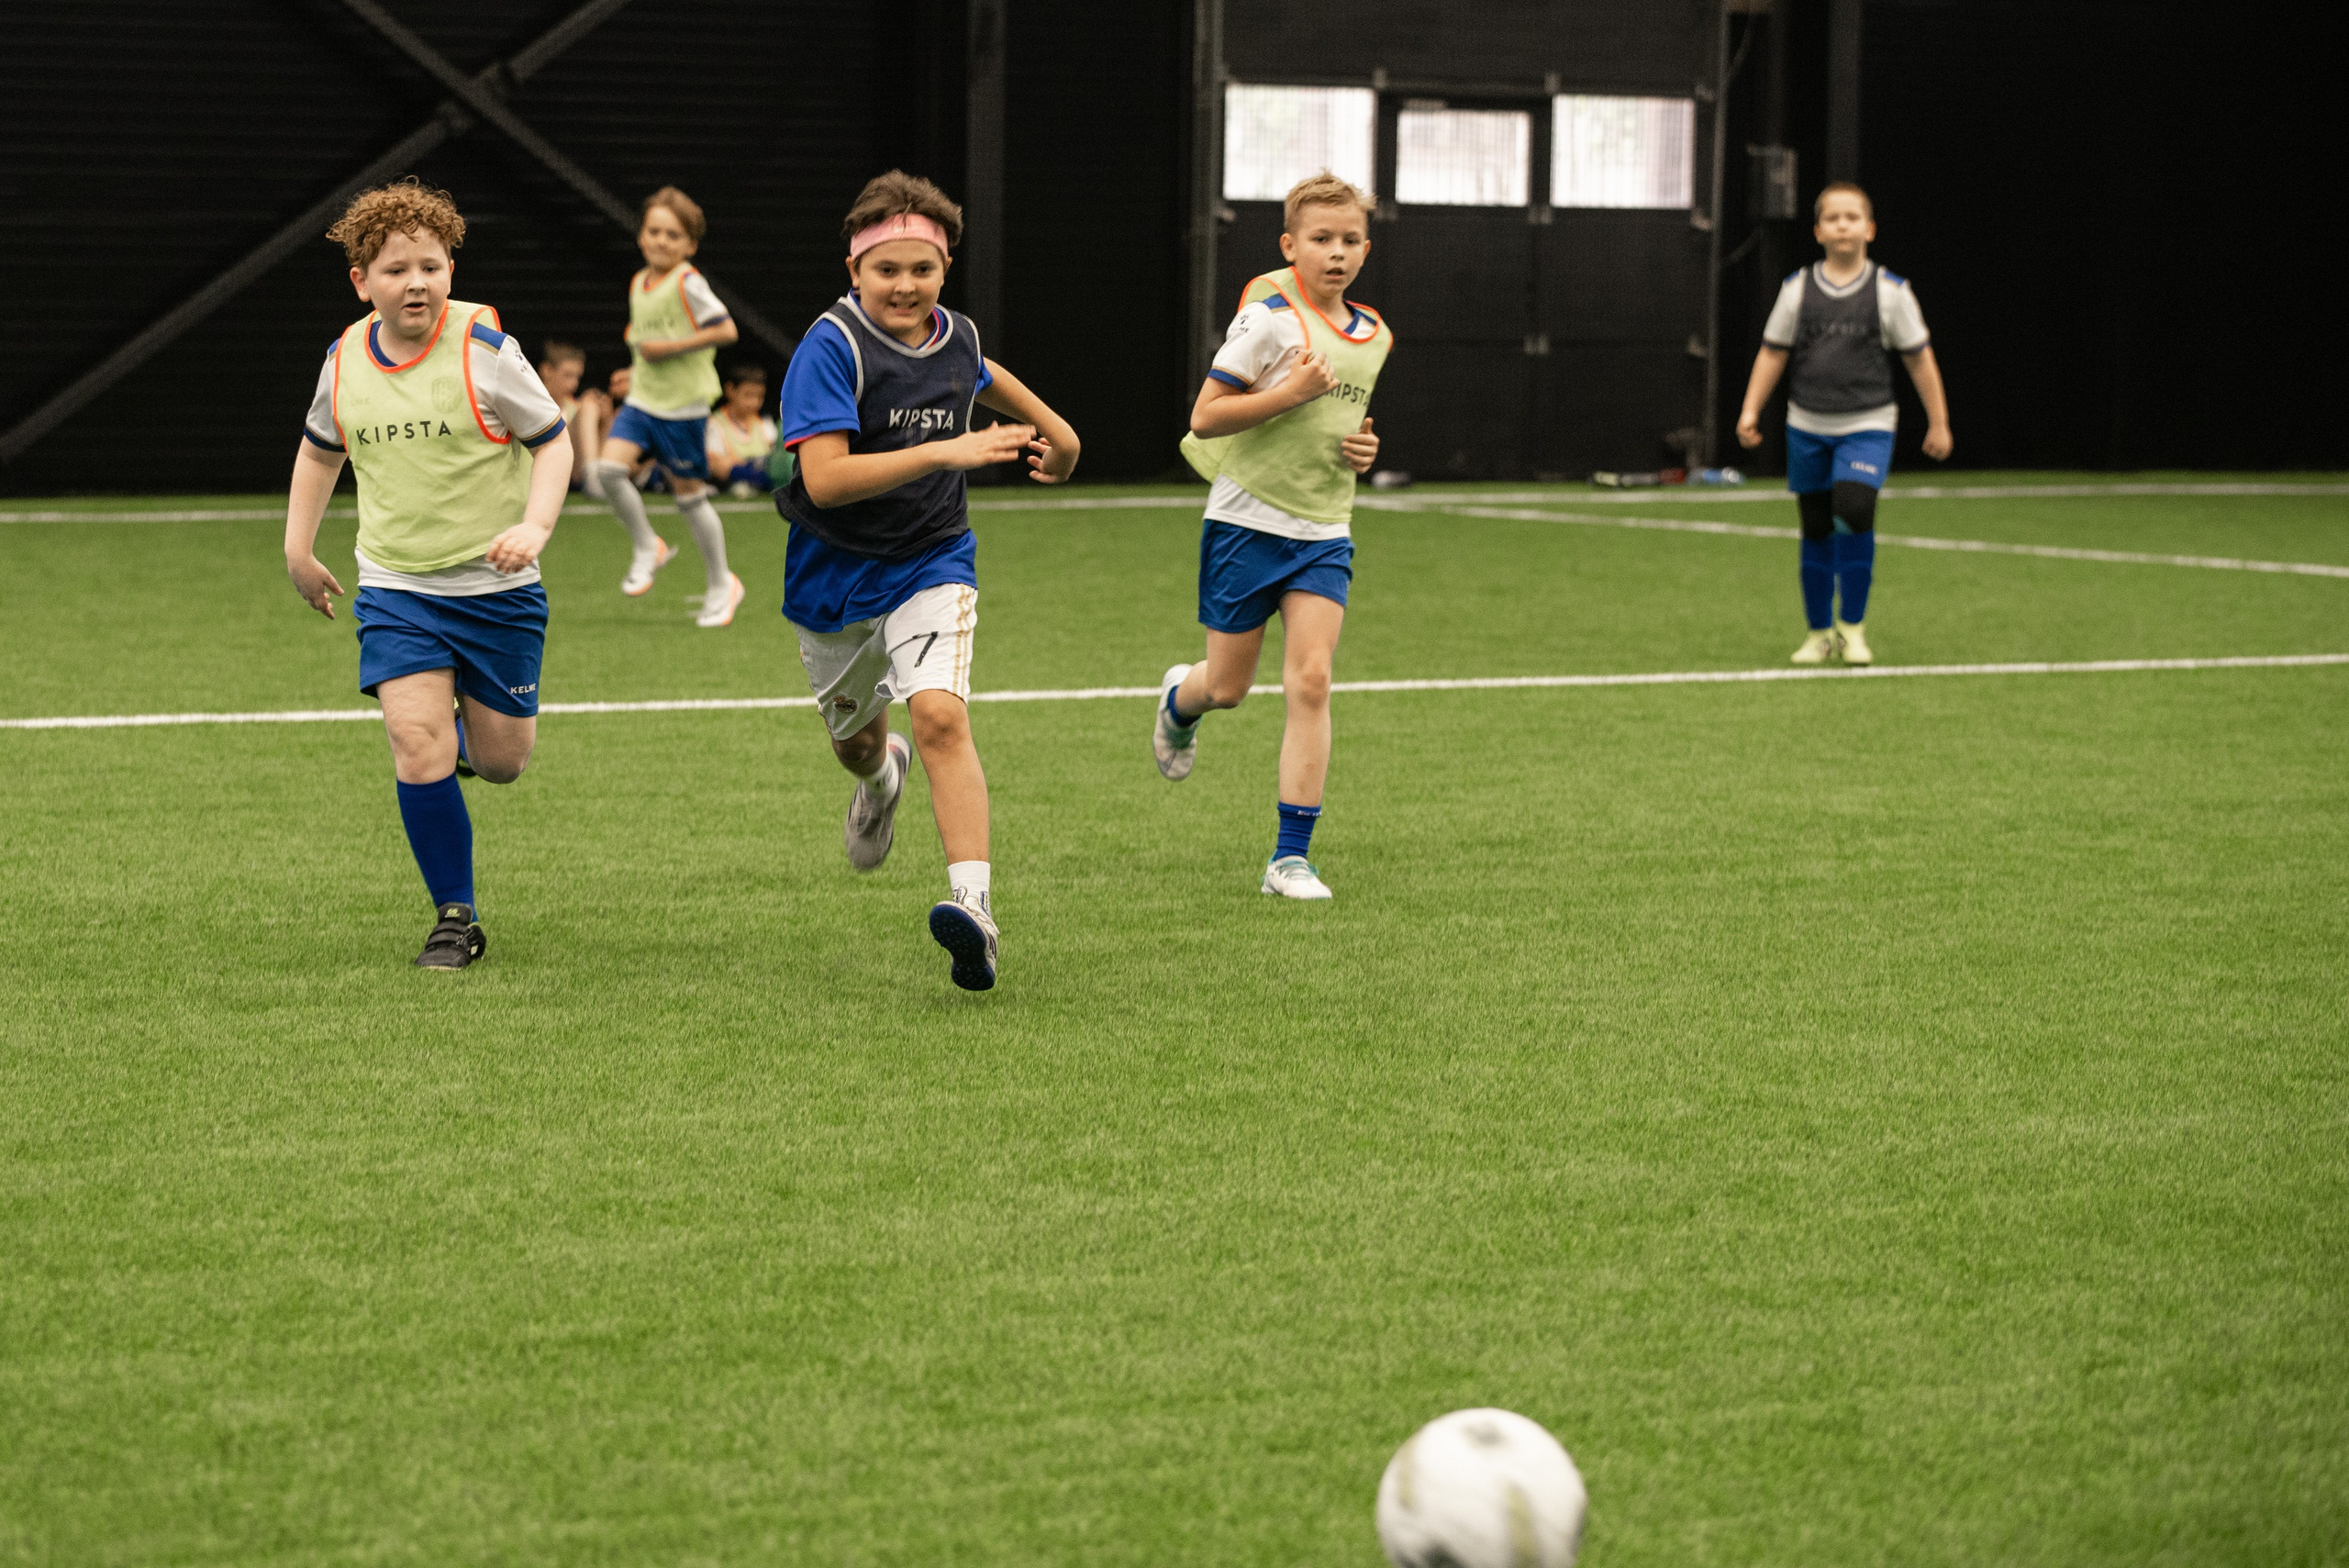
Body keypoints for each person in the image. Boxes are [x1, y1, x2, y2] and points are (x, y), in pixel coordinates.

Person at [774, 170, 1081, 991]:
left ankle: (973, 909)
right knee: (855, 742)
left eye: (923, 270)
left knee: (942, 716)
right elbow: (828, 481)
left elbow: (983, 373)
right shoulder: (830, 348)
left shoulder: (958, 337)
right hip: (833, 576)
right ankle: (882, 779)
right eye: (887, 271)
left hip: (932, 557)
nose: (906, 286)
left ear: (945, 269)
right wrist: (952, 449)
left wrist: (1063, 435)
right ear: (854, 270)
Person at [283, 178, 573, 969]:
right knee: (416, 745)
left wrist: (534, 525)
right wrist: (298, 549)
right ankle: (456, 915)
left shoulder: (485, 351)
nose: (416, 282)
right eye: (395, 269)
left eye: (432, 266)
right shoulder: (344, 360)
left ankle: (468, 747)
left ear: (451, 269)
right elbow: (320, 451)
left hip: (497, 593)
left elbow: (554, 441)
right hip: (396, 590)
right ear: (361, 281)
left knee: (505, 761)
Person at [1151, 172, 1392, 902]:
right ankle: (1179, 702)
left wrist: (1365, 449)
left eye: (1350, 240)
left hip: (1324, 529)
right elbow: (1205, 416)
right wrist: (1289, 393)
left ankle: (1290, 858)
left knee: (1311, 681)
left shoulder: (1375, 334)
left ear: (1366, 248)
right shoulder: (1270, 319)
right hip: (1246, 522)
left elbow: (1347, 422)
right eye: (1321, 240)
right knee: (1227, 688)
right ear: (1291, 246)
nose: (1337, 253)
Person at [1736, 181, 1953, 665]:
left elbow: (1920, 359)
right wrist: (1751, 410)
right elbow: (1773, 352)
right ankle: (1818, 633)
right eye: (1833, 218)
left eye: (1853, 217)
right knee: (1815, 527)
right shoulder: (1796, 290)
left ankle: (1852, 627)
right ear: (1817, 231)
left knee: (1854, 509)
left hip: (1868, 424)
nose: (1843, 226)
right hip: (1806, 424)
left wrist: (1938, 422)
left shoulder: (1891, 293)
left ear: (1869, 229)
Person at [591, 185, 745, 625]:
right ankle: (648, 545)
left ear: (689, 246)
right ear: (641, 235)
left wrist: (671, 349)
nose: (661, 241)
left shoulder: (689, 282)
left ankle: (722, 582)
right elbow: (646, 345)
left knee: (690, 500)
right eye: (654, 231)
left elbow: (726, 330)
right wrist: (635, 372)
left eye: (673, 235)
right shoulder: (639, 282)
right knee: (608, 471)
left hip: (682, 409)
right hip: (644, 401)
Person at [537, 340, 611, 494]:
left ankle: (594, 479)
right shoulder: (532, 401)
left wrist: (606, 421)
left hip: (573, 474)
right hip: (540, 471)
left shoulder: (576, 407)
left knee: (591, 405)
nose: (574, 384)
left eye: (577, 377)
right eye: (567, 376)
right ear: (546, 370)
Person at [707, 361, 779, 495]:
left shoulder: (765, 423)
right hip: (732, 479)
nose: (754, 402)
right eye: (748, 395)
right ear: (730, 390)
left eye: (759, 396)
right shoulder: (714, 423)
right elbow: (715, 464)